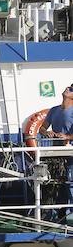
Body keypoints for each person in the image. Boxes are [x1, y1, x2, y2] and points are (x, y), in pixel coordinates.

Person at [42, 84, 73, 221]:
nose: (68, 88)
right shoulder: (54, 110)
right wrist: (46, 132)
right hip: (56, 155)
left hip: (70, 154)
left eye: (71, 89)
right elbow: (42, 127)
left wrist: (67, 137)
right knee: (57, 184)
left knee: (70, 184)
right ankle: (60, 217)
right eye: (68, 87)